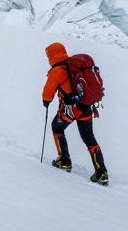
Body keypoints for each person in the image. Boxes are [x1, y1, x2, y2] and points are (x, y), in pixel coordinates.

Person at [42, 42, 108, 185]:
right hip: (86, 106)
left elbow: (48, 91)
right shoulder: (73, 66)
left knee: (57, 127)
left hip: (70, 108)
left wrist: (46, 101)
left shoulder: (57, 70)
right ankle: (101, 172)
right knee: (89, 138)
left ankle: (64, 160)